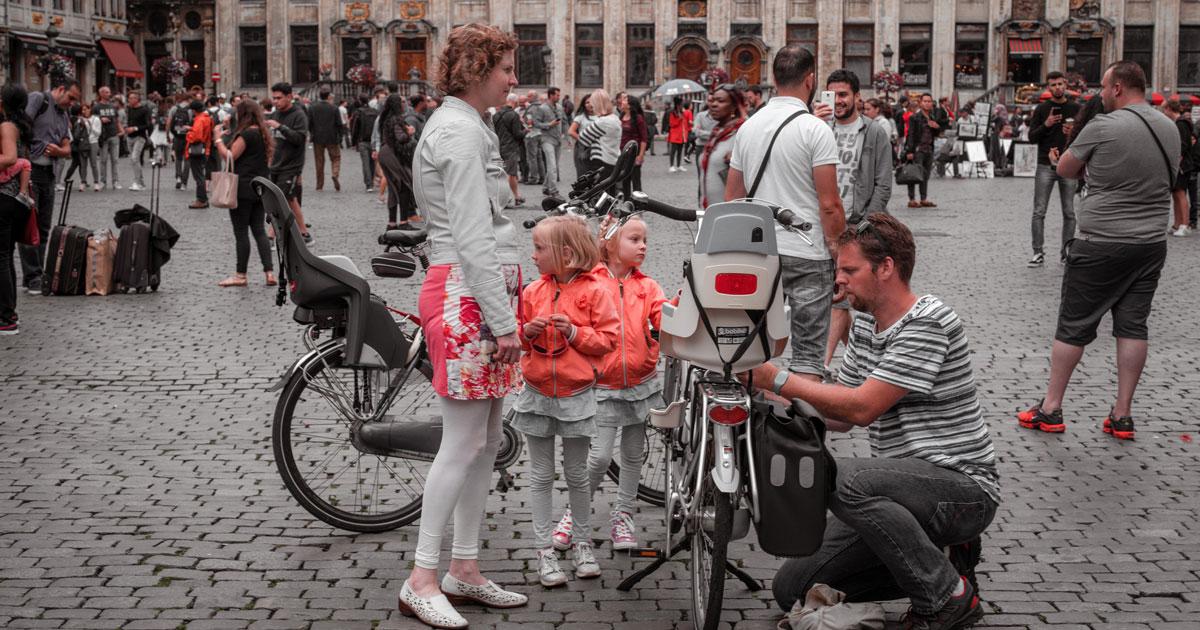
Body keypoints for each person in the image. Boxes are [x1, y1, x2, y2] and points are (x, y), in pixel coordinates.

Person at [759, 213, 999, 629]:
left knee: (843, 479)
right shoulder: (869, 323)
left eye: (850, 270)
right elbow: (839, 417)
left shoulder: (928, 322)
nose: (840, 282)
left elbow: (861, 408)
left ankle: (948, 595)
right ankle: (942, 558)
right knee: (791, 588)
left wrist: (779, 378)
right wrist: (760, 391)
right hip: (903, 493)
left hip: (962, 488)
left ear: (886, 267)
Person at [399, 23, 528, 630]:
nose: (513, 77)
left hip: (479, 294)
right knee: (462, 443)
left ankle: (464, 567)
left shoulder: (468, 126)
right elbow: (474, 236)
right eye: (505, 66)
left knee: (484, 443)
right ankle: (422, 576)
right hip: (466, 297)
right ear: (477, 69)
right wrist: (503, 321)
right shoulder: (456, 130)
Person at [1017, 60, 1179, 441]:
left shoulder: (1102, 126)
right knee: (1133, 326)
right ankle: (1122, 415)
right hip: (1150, 243)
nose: (1101, 94)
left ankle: (1051, 408)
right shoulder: (1169, 127)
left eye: (1104, 87)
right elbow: (1173, 174)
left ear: (1119, 88)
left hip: (1101, 241)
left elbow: (1066, 169)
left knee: (1073, 325)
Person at [725, 44, 846, 382]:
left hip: (759, 250)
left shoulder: (748, 128)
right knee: (808, 352)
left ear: (773, 79)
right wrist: (837, 251)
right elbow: (830, 203)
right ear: (810, 80)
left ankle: (756, 420)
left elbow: (732, 198)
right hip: (808, 253)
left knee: (753, 344)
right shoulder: (815, 129)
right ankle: (800, 426)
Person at [515, 214, 618, 587]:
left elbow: (607, 341)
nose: (533, 256)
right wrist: (526, 333)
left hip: (576, 395)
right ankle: (544, 549)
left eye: (540, 249)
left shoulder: (595, 291)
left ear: (567, 254)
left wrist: (574, 332)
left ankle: (581, 542)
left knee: (577, 474)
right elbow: (518, 337)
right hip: (538, 393)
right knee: (541, 475)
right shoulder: (532, 292)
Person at [581, 215, 664, 551]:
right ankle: (577, 510)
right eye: (634, 239)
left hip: (641, 383)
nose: (643, 245)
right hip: (601, 386)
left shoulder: (648, 287)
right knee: (598, 457)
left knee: (633, 454)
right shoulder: (591, 284)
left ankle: (624, 514)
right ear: (610, 244)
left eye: (644, 239)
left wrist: (681, 306)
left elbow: (663, 319)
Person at [823, 69, 894, 368]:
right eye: (832, 95)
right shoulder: (818, 129)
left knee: (842, 298)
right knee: (839, 298)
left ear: (856, 97)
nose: (837, 101)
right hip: (825, 225)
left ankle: (821, 365)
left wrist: (866, 224)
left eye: (843, 95)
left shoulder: (874, 132)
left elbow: (883, 182)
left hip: (856, 225)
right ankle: (861, 363)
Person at [19, 78, 79, 295]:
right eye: (70, 97)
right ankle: (32, 275)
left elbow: (67, 146)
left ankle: (39, 273)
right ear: (60, 89)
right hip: (31, 170)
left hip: (50, 173)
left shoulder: (64, 114)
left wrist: (59, 152)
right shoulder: (38, 99)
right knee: (29, 224)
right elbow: (21, 127)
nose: (71, 103)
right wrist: (36, 147)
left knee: (44, 226)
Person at [211, 99, 276, 288]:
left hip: (243, 188)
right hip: (260, 187)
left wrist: (217, 139)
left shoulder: (247, 134)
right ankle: (269, 272)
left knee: (241, 232)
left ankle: (240, 275)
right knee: (259, 231)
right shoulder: (263, 133)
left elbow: (230, 155)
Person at [1026, 71, 1081, 266]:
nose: (1057, 87)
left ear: (1065, 84)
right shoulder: (1042, 109)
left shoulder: (1075, 108)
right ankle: (1038, 252)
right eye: (1053, 85)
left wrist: (1072, 132)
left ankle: (1066, 252)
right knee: (1039, 211)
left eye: (1060, 84)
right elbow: (1031, 137)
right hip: (1045, 164)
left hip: (1069, 164)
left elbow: (1084, 137)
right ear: (1048, 87)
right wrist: (1047, 125)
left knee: (1069, 212)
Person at [1, 83, 34, 334]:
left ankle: (6, 317)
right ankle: (10, 311)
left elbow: (10, 158)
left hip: (4, 197)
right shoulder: (20, 125)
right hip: (15, 199)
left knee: (1, 257)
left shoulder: (6, 127)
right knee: (6, 256)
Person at [266, 82, 312, 244]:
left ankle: (271, 235)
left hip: (292, 165)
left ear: (289, 97)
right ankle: (304, 233)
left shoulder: (298, 115)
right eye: (273, 98)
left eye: (279, 98)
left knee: (280, 198)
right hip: (277, 164)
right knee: (290, 199)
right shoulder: (276, 114)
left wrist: (281, 127)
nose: (275, 101)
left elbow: (299, 138)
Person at [698, 84, 746, 209]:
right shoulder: (717, 132)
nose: (713, 104)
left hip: (729, 214)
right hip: (709, 210)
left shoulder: (742, 133)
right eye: (712, 100)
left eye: (720, 101)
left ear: (734, 105)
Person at [376, 94, 417, 230]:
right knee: (403, 186)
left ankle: (392, 223)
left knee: (394, 189)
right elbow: (400, 138)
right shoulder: (395, 119)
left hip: (385, 152)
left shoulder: (387, 118)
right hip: (392, 154)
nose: (404, 104)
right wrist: (409, 132)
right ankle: (404, 222)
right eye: (402, 102)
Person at [903, 93, 943, 208]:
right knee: (913, 174)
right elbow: (910, 135)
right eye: (925, 101)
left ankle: (923, 198)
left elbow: (936, 133)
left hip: (929, 149)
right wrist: (909, 151)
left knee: (925, 175)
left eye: (929, 101)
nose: (927, 103)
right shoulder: (914, 117)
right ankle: (911, 199)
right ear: (920, 103)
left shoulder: (932, 117)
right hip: (917, 150)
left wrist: (936, 128)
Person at [1162, 98, 1194, 236]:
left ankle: (1184, 225)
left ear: (1169, 109)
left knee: (1181, 194)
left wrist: (1176, 159)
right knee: (1176, 193)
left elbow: (1183, 145)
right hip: (1179, 163)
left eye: (1164, 109)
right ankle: (1177, 224)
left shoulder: (1181, 124)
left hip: (1182, 164)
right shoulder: (1178, 123)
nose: (1163, 112)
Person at [577, 89, 622, 179]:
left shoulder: (602, 122)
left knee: (599, 191)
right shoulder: (615, 118)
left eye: (592, 102)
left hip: (601, 162)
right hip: (613, 159)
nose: (591, 105)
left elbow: (583, 139)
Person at [529, 86, 564, 197]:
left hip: (557, 139)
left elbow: (564, 121)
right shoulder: (542, 108)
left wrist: (566, 136)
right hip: (546, 139)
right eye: (557, 95)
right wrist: (549, 124)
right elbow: (535, 123)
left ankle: (545, 187)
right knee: (552, 165)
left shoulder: (559, 107)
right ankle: (553, 190)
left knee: (554, 165)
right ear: (551, 95)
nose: (559, 97)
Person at [308, 88, 344, 192]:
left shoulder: (312, 107)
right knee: (336, 158)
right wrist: (340, 137)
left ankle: (319, 186)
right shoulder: (334, 108)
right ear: (328, 96)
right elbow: (339, 124)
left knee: (319, 162)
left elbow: (309, 123)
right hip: (332, 137)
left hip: (318, 138)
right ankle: (334, 174)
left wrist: (312, 133)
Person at [493, 93, 526, 207]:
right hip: (511, 147)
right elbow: (517, 134)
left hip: (499, 146)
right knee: (510, 174)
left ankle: (517, 197)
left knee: (505, 173)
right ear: (515, 102)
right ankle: (505, 198)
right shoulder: (513, 115)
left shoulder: (496, 115)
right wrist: (526, 131)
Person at [184, 99, 213, 209]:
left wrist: (188, 134)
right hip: (205, 149)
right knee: (200, 174)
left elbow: (196, 137)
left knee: (199, 176)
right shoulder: (206, 118)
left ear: (194, 110)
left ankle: (201, 199)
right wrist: (192, 129)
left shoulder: (199, 120)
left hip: (197, 151)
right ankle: (203, 199)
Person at [617, 93, 649, 193]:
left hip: (634, 153)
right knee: (624, 180)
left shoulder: (638, 118)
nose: (622, 101)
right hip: (623, 153)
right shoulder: (621, 116)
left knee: (635, 180)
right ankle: (627, 201)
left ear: (630, 105)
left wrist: (641, 155)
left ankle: (638, 204)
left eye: (625, 100)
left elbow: (644, 138)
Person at [62, 104, 96, 191]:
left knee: (79, 163)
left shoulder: (70, 119)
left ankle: (82, 180)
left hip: (74, 144)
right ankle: (68, 178)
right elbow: (77, 133)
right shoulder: (78, 120)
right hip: (77, 144)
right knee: (77, 163)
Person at [93, 86, 120, 190]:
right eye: (107, 92)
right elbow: (92, 119)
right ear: (102, 94)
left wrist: (120, 131)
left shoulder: (113, 106)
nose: (109, 94)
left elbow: (116, 120)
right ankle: (103, 181)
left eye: (109, 92)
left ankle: (115, 181)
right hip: (103, 136)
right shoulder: (96, 107)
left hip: (113, 135)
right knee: (103, 160)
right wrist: (100, 119)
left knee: (115, 160)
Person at [123, 90, 151, 191]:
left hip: (140, 137)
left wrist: (135, 128)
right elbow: (129, 120)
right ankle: (141, 183)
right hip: (129, 137)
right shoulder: (129, 109)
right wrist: (126, 127)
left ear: (137, 99)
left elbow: (148, 125)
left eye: (132, 98)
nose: (130, 100)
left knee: (135, 158)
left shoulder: (144, 110)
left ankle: (137, 182)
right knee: (134, 160)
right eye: (129, 98)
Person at [350, 94, 378, 192]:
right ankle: (371, 181)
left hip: (363, 140)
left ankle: (369, 184)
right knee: (372, 163)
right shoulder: (375, 112)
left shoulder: (358, 112)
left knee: (365, 163)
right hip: (374, 140)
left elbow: (355, 128)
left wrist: (353, 142)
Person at [168, 93, 193, 189]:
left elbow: (169, 123)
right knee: (187, 159)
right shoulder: (190, 110)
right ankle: (184, 183)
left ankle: (178, 177)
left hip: (177, 137)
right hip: (188, 137)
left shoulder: (174, 108)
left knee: (178, 158)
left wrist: (168, 135)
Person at [522, 90, 544, 187]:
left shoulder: (531, 109)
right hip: (540, 134)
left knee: (532, 158)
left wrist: (525, 122)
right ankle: (542, 177)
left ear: (532, 97)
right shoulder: (541, 107)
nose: (527, 98)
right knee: (539, 157)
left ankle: (533, 178)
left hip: (532, 135)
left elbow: (530, 122)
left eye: (528, 96)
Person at [568, 93, 594, 177]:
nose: (590, 104)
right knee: (583, 173)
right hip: (583, 148)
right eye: (587, 102)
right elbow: (571, 131)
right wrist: (583, 140)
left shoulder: (601, 116)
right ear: (584, 105)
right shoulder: (581, 117)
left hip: (598, 148)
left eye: (592, 101)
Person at [666, 97, 692, 172]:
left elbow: (685, 123)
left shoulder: (682, 112)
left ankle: (679, 165)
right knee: (673, 151)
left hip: (681, 134)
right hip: (675, 135)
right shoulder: (672, 113)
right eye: (681, 104)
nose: (682, 106)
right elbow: (672, 124)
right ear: (678, 105)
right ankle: (671, 166)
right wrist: (679, 119)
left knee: (680, 151)